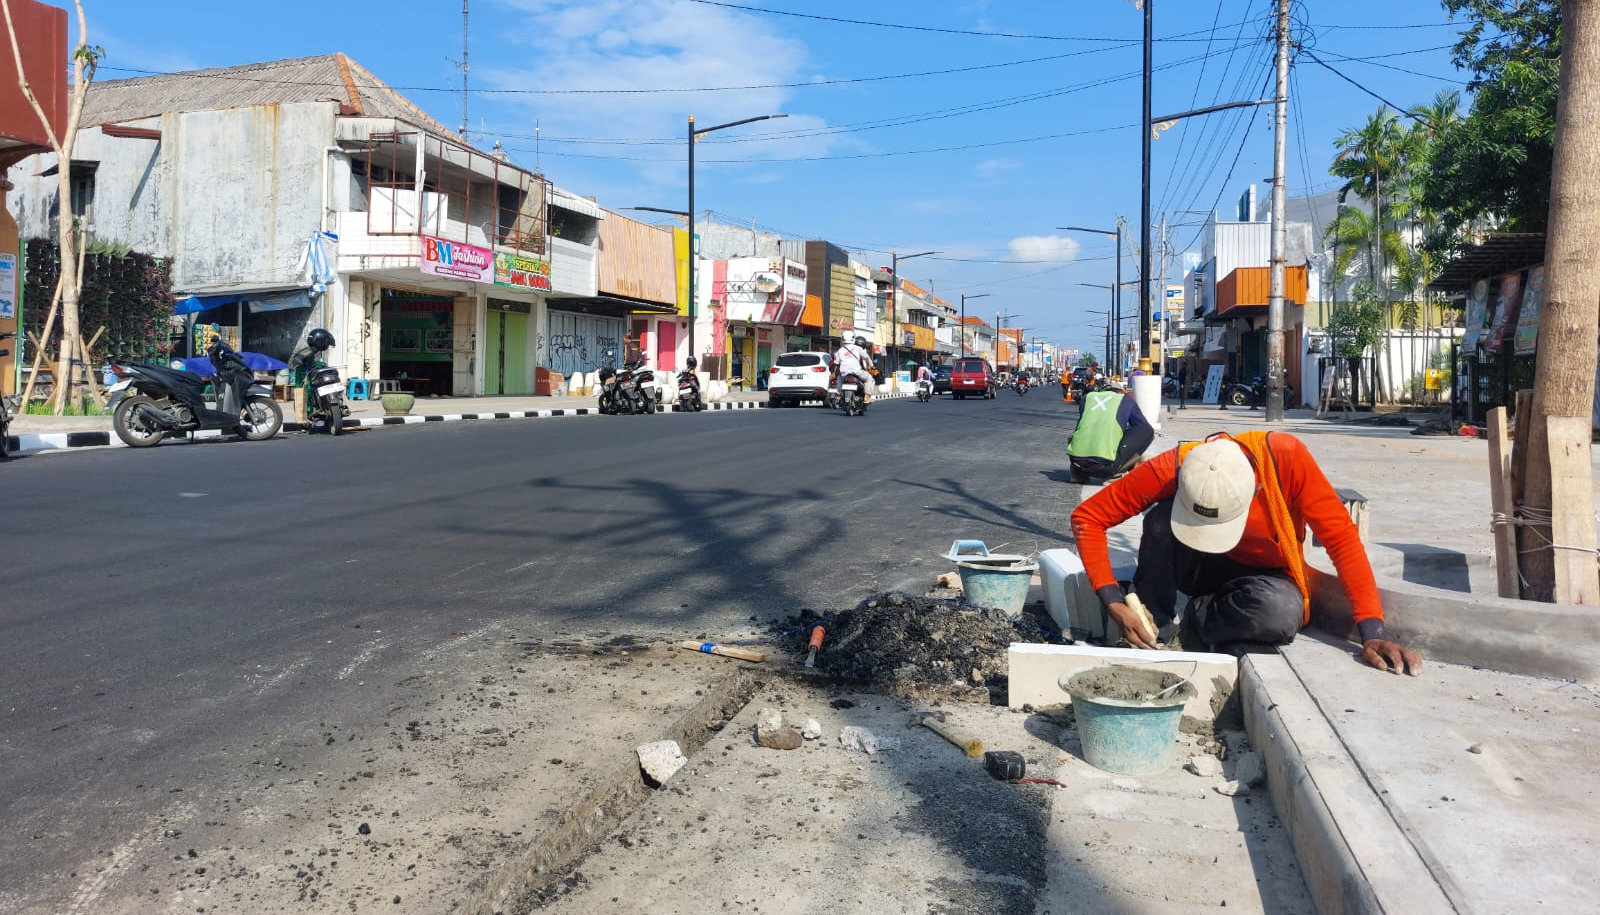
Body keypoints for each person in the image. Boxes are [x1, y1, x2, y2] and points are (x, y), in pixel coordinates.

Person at [1069, 431, 1422, 675]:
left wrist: (1372, 630)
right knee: (1160, 520)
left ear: (1256, 488)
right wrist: (1113, 601)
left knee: (1279, 615)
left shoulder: (1286, 460)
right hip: (1195, 564)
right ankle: (1152, 624)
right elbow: (1089, 517)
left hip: (1261, 577)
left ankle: (1192, 622)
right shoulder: (1177, 465)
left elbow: (1342, 541)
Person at [1067, 388, 1155, 482]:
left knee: (1084, 431)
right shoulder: (1125, 400)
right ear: (1120, 393)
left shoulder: (1087, 398)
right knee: (1148, 431)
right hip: (1105, 468)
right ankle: (1115, 474)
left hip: (1076, 461)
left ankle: (1077, 473)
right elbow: (1141, 427)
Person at [834, 336, 876, 405]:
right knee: (870, 379)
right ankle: (867, 397)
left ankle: (838, 394)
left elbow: (836, 363)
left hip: (844, 373)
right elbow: (867, 359)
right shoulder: (859, 349)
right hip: (857, 372)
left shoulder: (840, 350)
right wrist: (870, 366)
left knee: (839, 378)